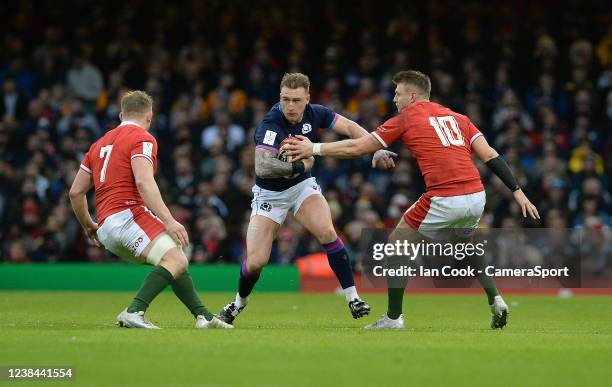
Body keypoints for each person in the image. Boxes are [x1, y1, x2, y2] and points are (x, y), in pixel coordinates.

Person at [285, 70, 540, 329]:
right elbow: (490, 155)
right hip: (476, 195)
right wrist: (517, 190)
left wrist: (314, 148)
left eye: (397, 94)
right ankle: (496, 300)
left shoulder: (405, 118)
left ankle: (394, 318)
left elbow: (358, 147)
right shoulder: (459, 118)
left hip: (444, 196)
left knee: (397, 246)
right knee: (467, 244)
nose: (395, 99)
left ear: (412, 95)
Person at [217, 73, 396, 325]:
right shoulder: (271, 123)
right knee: (256, 263)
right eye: (285, 99)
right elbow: (262, 166)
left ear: (307, 99)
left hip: (301, 188)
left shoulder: (316, 113)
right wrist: (303, 165)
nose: (290, 106)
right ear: (280, 97)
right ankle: (237, 303)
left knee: (327, 232)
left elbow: (351, 128)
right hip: (270, 194)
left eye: (296, 100)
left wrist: (375, 148)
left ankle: (353, 297)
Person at [69, 90, 231, 329]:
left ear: (121, 114)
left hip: (105, 228)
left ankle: (203, 316)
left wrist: (88, 226)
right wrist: (169, 220)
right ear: (149, 115)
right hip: (128, 216)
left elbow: (75, 192)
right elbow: (144, 182)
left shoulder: (98, 145)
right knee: (176, 258)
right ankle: (134, 311)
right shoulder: (142, 138)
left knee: (172, 258)